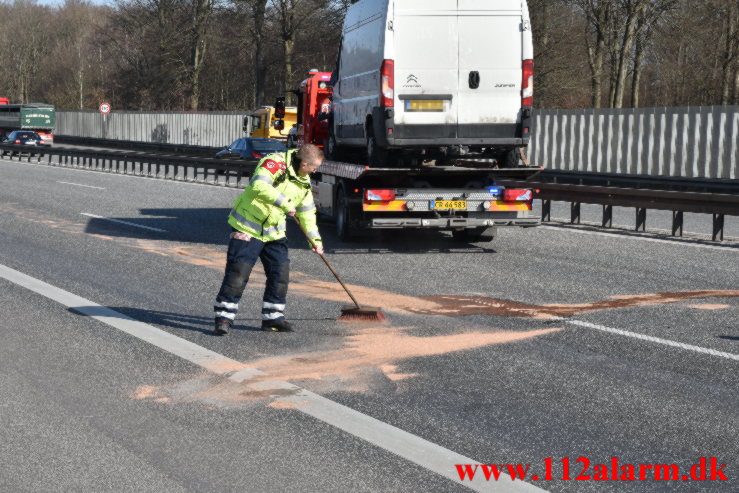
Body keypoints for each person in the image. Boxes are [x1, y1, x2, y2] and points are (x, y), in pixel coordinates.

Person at [213, 144, 324, 334]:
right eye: (314, 167)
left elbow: (307, 213)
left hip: (274, 232)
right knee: (238, 273)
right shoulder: (274, 163)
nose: (315, 170)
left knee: (280, 273)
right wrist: (284, 202)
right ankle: (224, 317)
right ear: (304, 163)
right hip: (247, 226)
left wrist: (315, 241)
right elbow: (258, 185)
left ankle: (273, 318)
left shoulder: (304, 181)